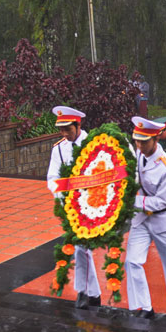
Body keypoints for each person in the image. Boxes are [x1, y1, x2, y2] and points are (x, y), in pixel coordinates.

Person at [125, 116, 166, 320]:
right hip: (141, 220)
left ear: (156, 139)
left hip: (163, 220)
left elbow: (161, 201)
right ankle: (145, 306)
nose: (140, 145)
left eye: (144, 141)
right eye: (137, 140)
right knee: (132, 261)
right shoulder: (138, 154)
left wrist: (130, 201)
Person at [47, 106, 101, 309]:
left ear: (79, 125)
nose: (64, 133)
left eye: (67, 129)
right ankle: (92, 294)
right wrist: (62, 196)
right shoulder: (59, 148)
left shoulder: (94, 144)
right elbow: (52, 178)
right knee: (81, 249)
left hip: (94, 205)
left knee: (82, 249)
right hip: (72, 208)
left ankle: (84, 292)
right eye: (61, 130)